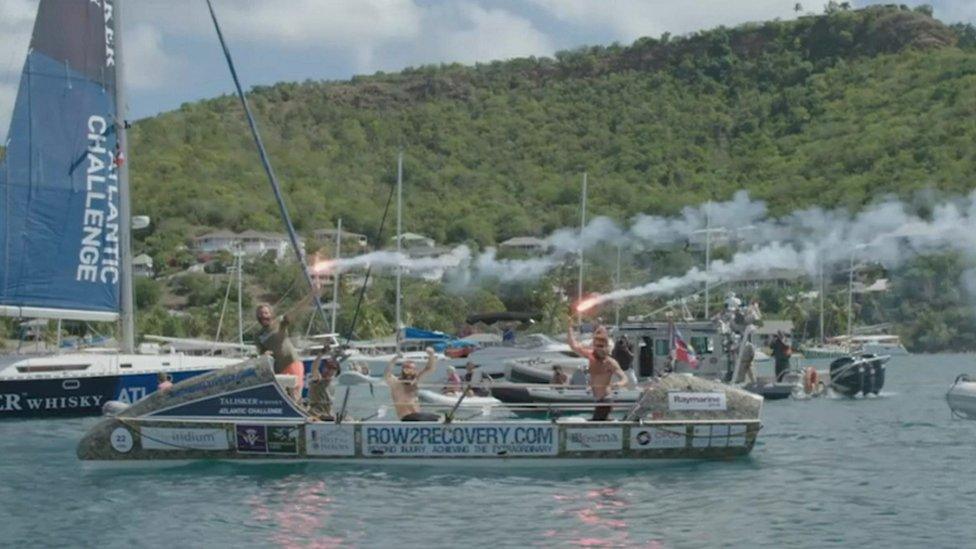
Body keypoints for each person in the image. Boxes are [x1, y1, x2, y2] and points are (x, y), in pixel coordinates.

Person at [568, 315, 627, 421]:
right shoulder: (591, 357)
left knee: (595, 423)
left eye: (601, 347)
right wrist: (569, 328)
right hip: (598, 400)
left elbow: (624, 378)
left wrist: (618, 384)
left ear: (606, 347)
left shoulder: (610, 362)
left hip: (606, 400)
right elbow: (573, 346)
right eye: (597, 346)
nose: (599, 349)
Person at [255, 303, 304, 401]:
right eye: (260, 314)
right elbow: (261, 353)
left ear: (271, 314)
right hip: (278, 369)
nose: (263, 316)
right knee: (284, 398)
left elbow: (296, 311)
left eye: (266, 313)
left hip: (291, 362)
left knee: (295, 395)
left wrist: (312, 294)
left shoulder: (279, 323)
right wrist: (264, 354)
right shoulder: (258, 335)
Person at [384, 347, 439, 421]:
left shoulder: (415, 381)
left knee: (439, 418)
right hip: (406, 417)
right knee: (435, 419)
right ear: (403, 370)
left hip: (418, 416)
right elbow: (387, 374)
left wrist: (431, 355)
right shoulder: (396, 383)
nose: (409, 373)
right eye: (407, 370)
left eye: (412, 370)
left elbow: (429, 368)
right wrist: (395, 358)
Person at [307, 347, 339, 420]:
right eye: (328, 367)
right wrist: (320, 354)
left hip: (328, 413)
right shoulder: (318, 380)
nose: (330, 370)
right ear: (324, 368)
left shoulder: (333, 383)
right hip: (316, 413)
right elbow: (314, 368)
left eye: (333, 368)